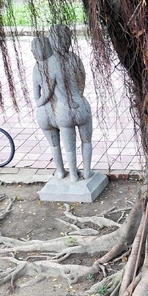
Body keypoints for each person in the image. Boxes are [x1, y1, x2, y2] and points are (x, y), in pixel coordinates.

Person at [32, 25, 94, 182]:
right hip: (82, 106)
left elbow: (47, 92)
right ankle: (87, 173)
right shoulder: (75, 58)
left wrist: (39, 103)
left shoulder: (50, 63)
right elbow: (82, 81)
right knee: (86, 141)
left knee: (69, 148)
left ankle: (73, 175)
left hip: (64, 110)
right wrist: (77, 95)